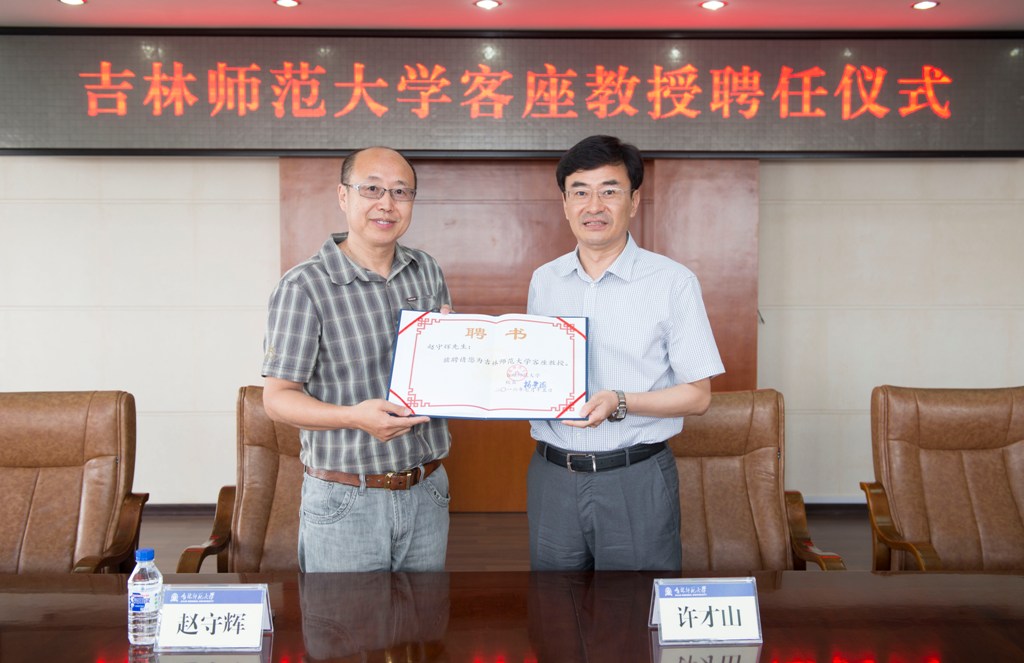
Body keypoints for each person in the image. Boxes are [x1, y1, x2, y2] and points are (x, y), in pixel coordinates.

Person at [527, 135, 724, 571]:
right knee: (554, 604)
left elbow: (698, 396)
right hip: (553, 477)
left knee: (634, 605)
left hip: (635, 477)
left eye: (609, 191)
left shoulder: (673, 282)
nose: (594, 206)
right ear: (565, 204)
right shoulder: (545, 280)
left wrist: (621, 401)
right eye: (580, 192)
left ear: (634, 201)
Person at [261, 146, 453, 572]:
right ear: (343, 196)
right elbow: (276, 399)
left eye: (401, 192)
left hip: (427, 490)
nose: (386, 204)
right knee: (347, 617)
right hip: (346, 499)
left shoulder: (426, 270)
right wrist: (354, 417)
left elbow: (442, 371)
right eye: (372, 189)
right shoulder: (304, 286)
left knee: (424, 616)